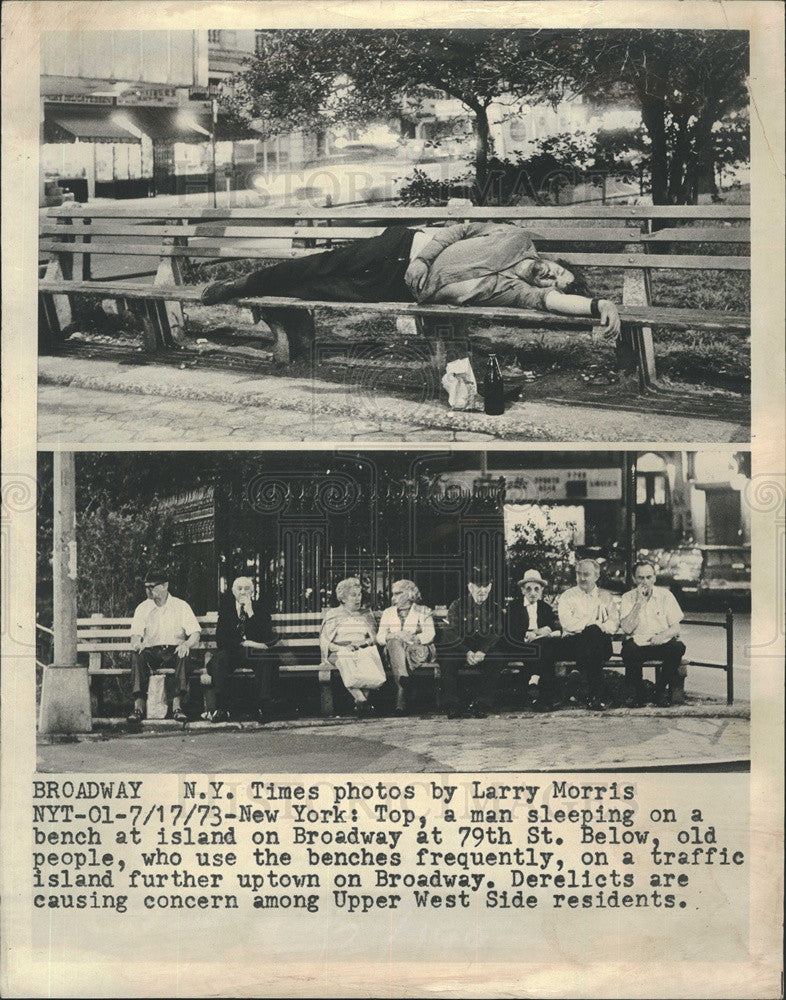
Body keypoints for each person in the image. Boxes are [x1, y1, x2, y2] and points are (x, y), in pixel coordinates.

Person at [200, 222, 621, 336]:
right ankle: (242, 285)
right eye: (558, 272)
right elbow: (458, 231)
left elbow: (550, 304)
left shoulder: (518, 291)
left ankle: (260, 295)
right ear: (555, 260)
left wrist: (596, 306)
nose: (550, 278)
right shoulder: (515, 237)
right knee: (321, 266)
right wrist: (424, 260)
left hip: (399, 287)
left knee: (321, 290)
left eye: (553, 283)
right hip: (404, 247)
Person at [126, 568, 201, 727]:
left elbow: (195, 633)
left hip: (174, 651)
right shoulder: (143, 608)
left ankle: (177, 705)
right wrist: (137, 643)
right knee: (137, 655)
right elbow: (135, 634)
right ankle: (138, 707)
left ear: (165, 585)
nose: (149, 590)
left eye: (153, 586)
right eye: (146, 586)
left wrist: (186, 644)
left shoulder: (181, 606)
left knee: (184, 654)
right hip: (152, 652)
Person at [206, 576, 279, 723]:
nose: (243, 592)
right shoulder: (226, 610)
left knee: (267, 659)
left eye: (247, 589)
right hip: (234, 650)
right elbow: (221, 639)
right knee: (220, 660)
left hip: (255, 653)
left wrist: (251, 613)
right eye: (239, 589)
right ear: (233, 591)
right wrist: (244, 643)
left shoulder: (260, 608)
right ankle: (221, 709)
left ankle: (264, 707)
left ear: (252, 591)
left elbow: (266, 636)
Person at [438, 564, 506, 719]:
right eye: (478, 586)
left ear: (490, 586)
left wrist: (483, 651)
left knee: (498, 658)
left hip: (482, 649)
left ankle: (482, 703)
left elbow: (496, 632)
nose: (482, 591)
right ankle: (452, 705)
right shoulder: (457, 605)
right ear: (470, 586)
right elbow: (450, 632)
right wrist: (466, 652)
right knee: (447, 658)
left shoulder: (495, 608)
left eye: (486, 586)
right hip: (461, 647)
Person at [619, 561, 686, 707]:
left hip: (659, 641)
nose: (645, 582)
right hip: (638, 643)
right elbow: (626, 628)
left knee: (678, 647)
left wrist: (662, 636)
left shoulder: (665, 596)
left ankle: (659, 691)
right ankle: (640, 693)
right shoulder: (627, 597)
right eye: (641, 578)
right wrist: (638, 604)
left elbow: (676, 627)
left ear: (654, 578)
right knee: (628, 651)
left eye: (649, 577)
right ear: (634, 578)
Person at [555, 559, 619, 710]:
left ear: (596, 576)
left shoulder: (606, 598)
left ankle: (578, 674)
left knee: (594, 633)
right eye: (579, 574)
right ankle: (596, 696)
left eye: (586, 574)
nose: (582, 578)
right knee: (593, 634)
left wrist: (595, 626)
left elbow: (613, 624)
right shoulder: (567, 596)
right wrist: (593, 624)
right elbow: (567, 623)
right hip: (574, 645)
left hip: (600, 645)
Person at [319, 577, 383, 716]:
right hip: (339, 651)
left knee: (367, 658)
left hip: (362, 649)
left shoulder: (366, 614)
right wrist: (341, 648)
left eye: (359, 594)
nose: (357, 598)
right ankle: (362, 700)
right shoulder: (333, 614)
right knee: (345, 658)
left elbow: (374, 638)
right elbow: (325, 641)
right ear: (342, 598)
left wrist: (364, 644)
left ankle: (361, 702)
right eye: (353, 595)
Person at [376, 579, 436, 715]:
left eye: (398, 593)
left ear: (410, 594)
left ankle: (401, 696)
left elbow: (430, 634)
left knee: (398, 649)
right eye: (393, 594)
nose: (393, 598)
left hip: (417, 650)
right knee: (394, 643)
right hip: (395, 650)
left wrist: (413, 638)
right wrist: (396, 635)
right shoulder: (388, 612)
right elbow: (380, 637)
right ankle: (403, 687)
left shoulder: (423, 611)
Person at [505, 569, 560, 711]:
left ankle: (534, 684)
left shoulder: (545, 608)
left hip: (541, 645)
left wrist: (538, 633)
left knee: (544, 647)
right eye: (528, 589)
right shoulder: (514, 607)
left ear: (541, 590)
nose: (533, 592)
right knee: (544, 653)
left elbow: (552, 629)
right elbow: (510, 631)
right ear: (523, 590)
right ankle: (545, 696)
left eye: (536, 589)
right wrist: (530, 633)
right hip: (521, 646)